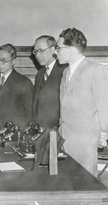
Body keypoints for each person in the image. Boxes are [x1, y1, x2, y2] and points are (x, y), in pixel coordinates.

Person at [55, 28, 108, 176]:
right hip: (64, 138)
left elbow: (104, 108)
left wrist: (103, 135)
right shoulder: (65, 72)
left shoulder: (96, 70)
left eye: (58, 48)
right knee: (66, 182)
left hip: (85, 141)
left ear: (71, 49)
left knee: (84, 185)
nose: (55, 52)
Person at [0, 44, 33, 136]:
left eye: (4, 60)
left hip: (13, 136)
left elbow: (29, 115)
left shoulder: (24, 83)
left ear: (13, 61)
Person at [32, 35, 68, 129]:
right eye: (35, 51)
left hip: (57, 131)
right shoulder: (40, 74)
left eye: (41, 51)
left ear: (52, 49)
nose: (37, 55)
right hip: (40, 131)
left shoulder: (65, 71)